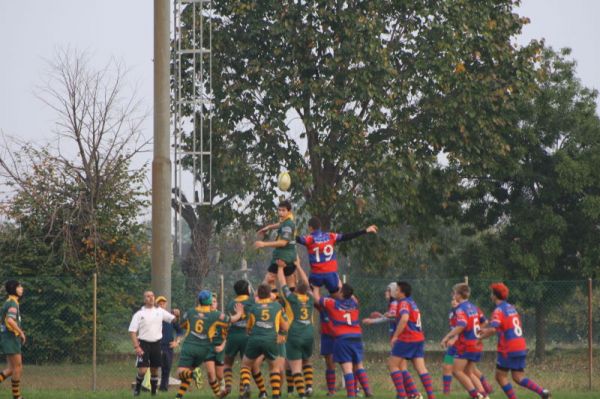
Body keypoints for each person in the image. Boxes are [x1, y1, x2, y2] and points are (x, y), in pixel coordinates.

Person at [261, 216, 377, 293]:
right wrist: (365, 230)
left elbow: (293, 238)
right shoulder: (331, 236)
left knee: (312, 295)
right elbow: (347, 236)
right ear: (320, 227)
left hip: (317, 275)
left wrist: (282, 230)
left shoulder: (310, 239)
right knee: (341, 294)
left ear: (310, 228)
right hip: (331, 274)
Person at [479, 283, 551, 399]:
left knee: (500, 376)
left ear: (495, 295)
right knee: (518, 377)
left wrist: (478, 337)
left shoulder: (498, 310)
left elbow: (493, 329)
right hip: (520, 345)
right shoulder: (511, 308)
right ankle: (543, 392)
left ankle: (479, 393)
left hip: (508, 348)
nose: (490, 295)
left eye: (491, 293)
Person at [175, 290, 243, 399]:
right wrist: (239, 312)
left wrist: (179, 318)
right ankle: (179, 396)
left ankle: (193, 375)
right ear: (210, 301)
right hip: (204, 348)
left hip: (189, 346)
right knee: (190, 370)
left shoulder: (190, 312)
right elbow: (231, 320)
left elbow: (182, 326)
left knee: (180, 373)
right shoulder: (215, 315)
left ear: (199, 300)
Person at [312, 283, 372, 398]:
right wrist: (342, 284)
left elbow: (317, 298)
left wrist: (316, 288)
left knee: (347, 368)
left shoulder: (333, 303)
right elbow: (351, 295)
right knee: (359, 365)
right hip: (356, 336)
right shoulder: (354, 303)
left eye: (340, 290)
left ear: (342, 293)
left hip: (342, 337)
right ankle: (367, 390)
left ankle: (351, 395)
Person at [363, 282, 421, 399]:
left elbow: (395, 317)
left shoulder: (395, 303)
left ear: (394, 292)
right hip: (402, 338)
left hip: (400, 338)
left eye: (388, 290)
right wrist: (382, 316)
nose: (386, 292)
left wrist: (374, 320)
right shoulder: (396, 303)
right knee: (402, 368)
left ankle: (405, 394)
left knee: (394, 365)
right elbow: (394, 317)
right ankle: (413, 394)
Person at [239, 284, 289, 399]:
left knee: (246, 365)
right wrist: (281, 334)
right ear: (269, 293)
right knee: (274, 368)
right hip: (271, 339)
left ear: (258, 295)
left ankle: (246, 385)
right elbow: (285, 326)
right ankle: (276, 395)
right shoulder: (277, 306)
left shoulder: (253, 307)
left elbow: (248, 328)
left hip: (255, 339)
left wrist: (250, 332)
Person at [129, 290, 180, 396]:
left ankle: (153, 392)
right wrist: (136, 347)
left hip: (157, 344)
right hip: (143, 344)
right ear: (144, 299)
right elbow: (132, 331)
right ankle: (137, 389)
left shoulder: (160, 311)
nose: (151, 298)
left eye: (152, 296)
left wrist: (177, 315)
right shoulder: (139, 314)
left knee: (155, 369)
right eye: (148, 296)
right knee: (143, 370)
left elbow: (174, 320)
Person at [389, 281, 435, 399]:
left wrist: (395, 336)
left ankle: (402, 395)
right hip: (418, 338)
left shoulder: (403, 302)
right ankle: (431, 396)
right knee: (421, 368)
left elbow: (404, 319)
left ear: (403, 293)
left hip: (407, 338)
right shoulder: (412, 302)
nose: (395, 292)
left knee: (393, 365)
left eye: (397, 290)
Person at [277, 260, 314, 398]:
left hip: (295, 334)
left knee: (295, 368)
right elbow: (305, 281)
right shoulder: (310, 298)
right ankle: (308, 387)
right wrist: (299, 265)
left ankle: (301, 394)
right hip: (309, 334)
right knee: (306, 361)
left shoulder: (291, 298)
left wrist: (280, 268)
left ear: (296, 288)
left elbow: (282, 283)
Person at [441, 283, 485, 399]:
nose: (453, 300)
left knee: (461, 371)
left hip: (461, 345)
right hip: (454, 346)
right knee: (447, 365)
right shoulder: (453, 312)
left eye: (455, 295)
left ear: (459, 296)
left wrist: (450, 337)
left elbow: (462, 326)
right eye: (452, 300)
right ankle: (446, 393)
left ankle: (480, 393)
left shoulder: (462, 310)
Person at [0, 280, 26, 399]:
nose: (22, 289)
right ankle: (17, 397)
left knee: (11, 369)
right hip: (10, 338)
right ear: (13, 289)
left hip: (8, 338)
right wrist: (21, 332)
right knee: (18, 367)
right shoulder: (12, 303)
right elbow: (10, 320)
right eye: (19, 287)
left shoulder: (11, 301)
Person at [155, 296, 183, 392]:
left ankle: (163, 389)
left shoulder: (170, 317)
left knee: (166, 368)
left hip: (168, 346)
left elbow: (180, 331)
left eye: (163, 303)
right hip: (155, 345)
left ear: (166, 305)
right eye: (159, 303)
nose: (162, 304)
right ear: (156, 305)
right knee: (152, 367)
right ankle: (149, 387)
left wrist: (177, 342)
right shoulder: (153, 315)